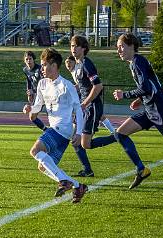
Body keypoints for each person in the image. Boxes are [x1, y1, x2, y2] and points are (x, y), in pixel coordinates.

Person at [113, 33, 163, 189]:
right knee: (120, 133)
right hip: (150, 109)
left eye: (121, 47)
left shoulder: (138, 62)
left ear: (131, 46)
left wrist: (125, 94)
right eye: (118, 48)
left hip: (160, 109)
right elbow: (151, 86)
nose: (119, 51)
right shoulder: (134, 63)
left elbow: (146, 87)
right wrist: (139, 99)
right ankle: (141, 169)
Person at [23, 48, 88, 203]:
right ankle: (78, 186)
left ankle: (63, 181)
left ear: (54, 65)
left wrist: (79, 133)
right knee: (42, 166)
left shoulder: (66, 86)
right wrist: (30, 110)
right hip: (59, 133)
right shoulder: (42, 84)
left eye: (44, 65)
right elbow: (37, 106)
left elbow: (78, 109)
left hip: (63, 129)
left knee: (35, 150)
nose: (42, 68)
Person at [69, 36, 117, 177]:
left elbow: (98, 86)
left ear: (83, 48)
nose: (73, 49)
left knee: (85, 144)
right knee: (75, 140)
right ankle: (87, 170)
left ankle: (118, 136)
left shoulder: (87, 64)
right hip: (83, 107)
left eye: (76, 46)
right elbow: (84, 85)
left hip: (92, 106)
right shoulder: (77, 64)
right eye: (72, 46)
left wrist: (85, 102)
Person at [65, 55, 115, 134]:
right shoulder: (74, 71)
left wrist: (72, 89)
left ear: (75, 62)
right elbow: (80, 85)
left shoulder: (81, 67)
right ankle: (114, 132)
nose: (68, 64)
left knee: (97, 116)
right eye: (66, 62)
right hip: (85, 95)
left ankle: (114, 133)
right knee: (83, 114)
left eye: (70, 62)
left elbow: (90, 83)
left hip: (90, 95)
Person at [23, 51, 48, 131]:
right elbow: (29, 80)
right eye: (26, 59)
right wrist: (29, 91)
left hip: (47, 94)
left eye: (30, 59)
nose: (28, 61)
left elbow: (45, 81)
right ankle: (46, 130)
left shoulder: (40, 68)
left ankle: (60, 131)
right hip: (39, 96)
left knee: (52, 115)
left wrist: (34, 91)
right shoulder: (25, 70)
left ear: (34, 60)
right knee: (32, 117)